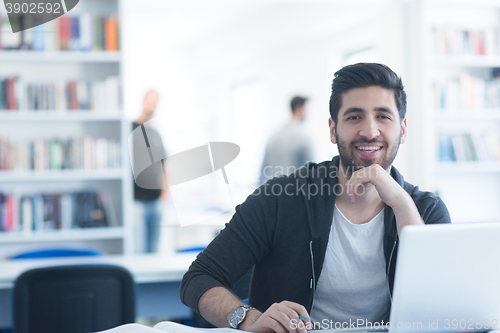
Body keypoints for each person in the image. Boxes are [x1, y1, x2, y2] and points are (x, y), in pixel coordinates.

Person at [180, 63, 451, 332]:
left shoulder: (427, 210)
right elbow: (198, 278)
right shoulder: (279, 199)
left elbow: (443, 302)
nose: (369, 131)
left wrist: (401, 202)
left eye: (383, 116)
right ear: (333, 129)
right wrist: (248, 318)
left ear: (402, 129)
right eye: (354, 117)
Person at [132, 90, 168, 253]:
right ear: (143, 101)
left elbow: (164, 165)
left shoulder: (156, 134)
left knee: (154, 249)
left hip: (156, 201)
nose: (152, 106)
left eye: (155, 102)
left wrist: (165, 195)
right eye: (150, 101)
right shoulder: (130, 129)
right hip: (136, 201)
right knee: (138, 248)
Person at [260, 96, 313, 184]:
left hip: (274, 193)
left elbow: (262, 173)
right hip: (296, 194)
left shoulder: (272, 137)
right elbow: (312, 174)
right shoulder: (304, 138)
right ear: (299, 109)